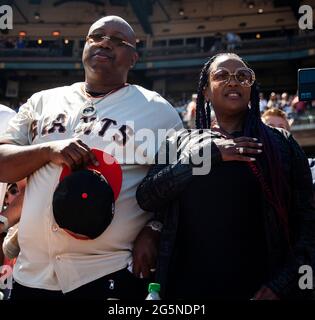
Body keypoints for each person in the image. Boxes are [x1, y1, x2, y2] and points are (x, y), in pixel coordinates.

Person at [0, 15, 182, 300]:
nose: (105, 42)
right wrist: (48, 150)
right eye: (96, 36)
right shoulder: (42, 101)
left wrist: (154, 227)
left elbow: (178, 185)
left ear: (133, 58)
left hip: (107, 271)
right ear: (84, 47)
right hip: (31, 273)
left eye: (118, 40)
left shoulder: (158, 111)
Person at [136, 53, 315, 300]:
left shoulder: (281, 143)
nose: (233, 81)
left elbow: (308, 221)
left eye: (243, 76)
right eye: (221, 76)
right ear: (206, 92)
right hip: (186, 290)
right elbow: (147, 197)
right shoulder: (178, 143)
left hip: (261, 288)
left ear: (251, 88)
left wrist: (282, 284)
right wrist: (211, 155)